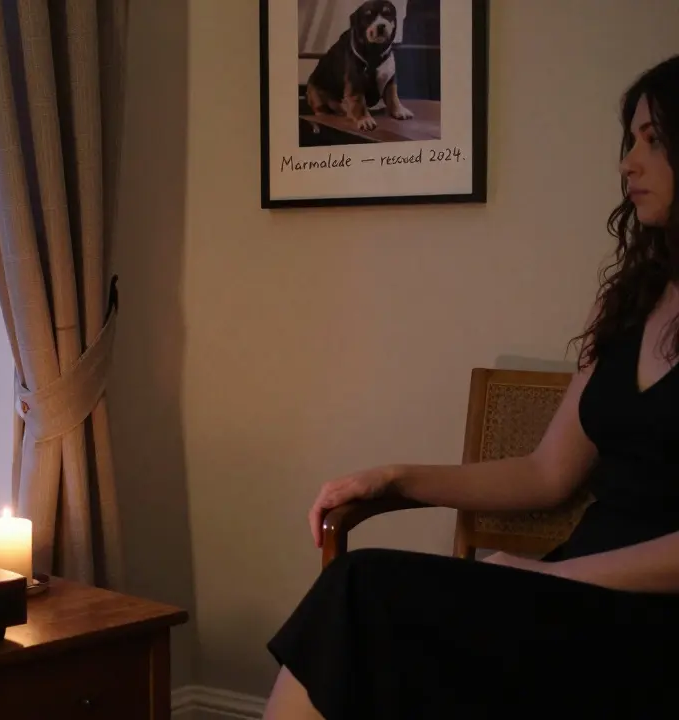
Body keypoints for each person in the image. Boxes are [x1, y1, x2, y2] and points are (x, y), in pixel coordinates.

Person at [265, 54, 679, 720]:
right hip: (571, 597)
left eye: (654, 141)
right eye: (630, 140)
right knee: (360, 596)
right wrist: (393, 477)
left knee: (367, 592)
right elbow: (546, 474)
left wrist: (551, 574)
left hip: (646, 626)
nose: (629, 161)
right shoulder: (633, 301)